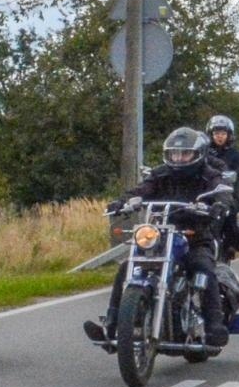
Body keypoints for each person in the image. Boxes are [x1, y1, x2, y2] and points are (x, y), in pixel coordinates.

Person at [85, 127, 231, 347]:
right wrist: (123, 202)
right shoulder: (161, 174)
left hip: (196, 235)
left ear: (198, 154)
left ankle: (214, 326)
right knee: (126, 268)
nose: (179, 158)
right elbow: (141, 189)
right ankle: (112, 326)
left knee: (203, 267)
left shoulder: (208, 174)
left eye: (184, 154)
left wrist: (219, 204)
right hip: (161, 233)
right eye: (174, 154)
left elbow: (222, 191)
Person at [203, 114, 239, 259]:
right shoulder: (202, 153)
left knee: (229, 217)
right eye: (216, 133)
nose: (220, 137)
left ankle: (229, 246)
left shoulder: (235, 155)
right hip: (204, 195)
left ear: (229, 135)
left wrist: (229, 188)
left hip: (227, 195)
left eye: (223, 133)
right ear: (211, 135)